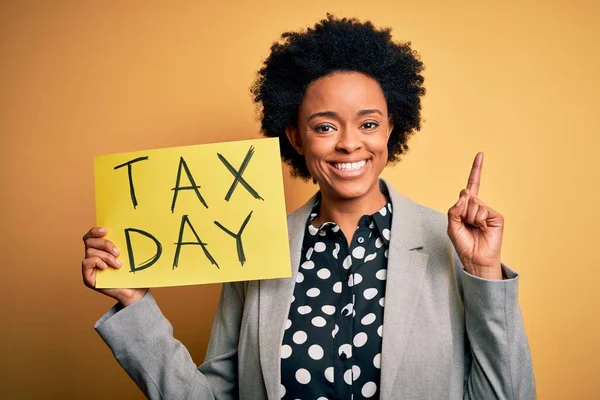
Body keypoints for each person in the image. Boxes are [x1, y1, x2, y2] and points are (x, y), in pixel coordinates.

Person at [82, 15, 535, 399]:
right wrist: (134, 302)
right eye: (324, 126)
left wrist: (485, 273)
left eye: (369, 123)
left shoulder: (451, 245)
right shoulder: (257, 249)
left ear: (391, 128)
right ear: (296, 138)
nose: (349, 143)